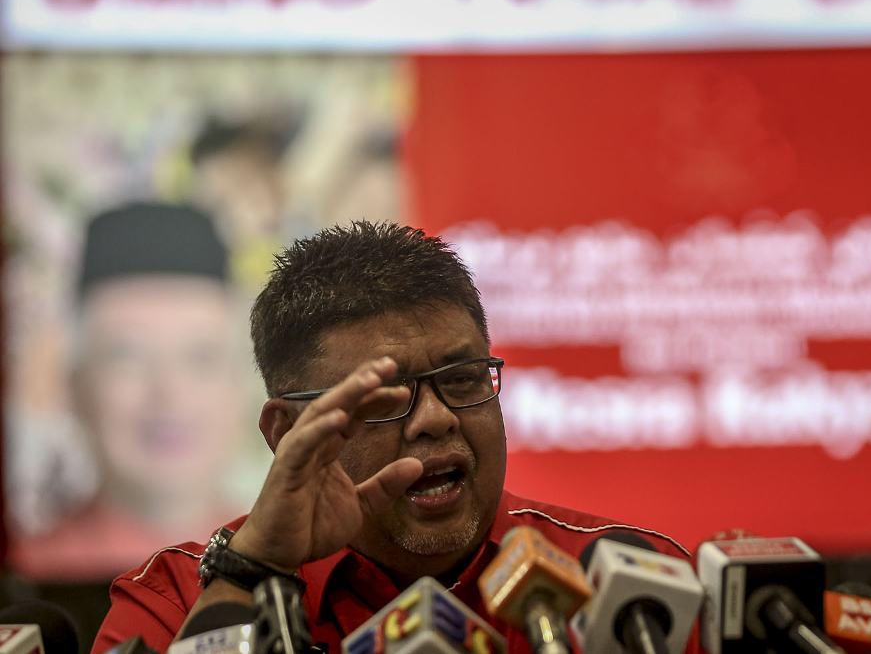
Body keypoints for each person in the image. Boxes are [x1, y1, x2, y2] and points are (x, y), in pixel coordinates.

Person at [91, 220, 690, 653]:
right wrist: (249, 571)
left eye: (460, 379)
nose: (435, 418)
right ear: (287, 431)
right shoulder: (172, 602)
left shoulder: (627, 578)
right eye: (382, 397)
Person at [9, 202, 248, 580]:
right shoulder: (22, 580)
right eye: (128, 356)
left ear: (238, 385)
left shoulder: (307, 573)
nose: (171, 392)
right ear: (76, 389)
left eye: (201, 357)